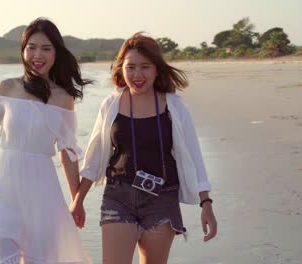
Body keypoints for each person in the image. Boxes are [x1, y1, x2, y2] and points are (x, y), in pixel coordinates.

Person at [0, 18, 92, 264]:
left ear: (56, 53)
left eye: (46, 48)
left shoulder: (63, 99)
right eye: (31, 47)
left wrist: (77, 200)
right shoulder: (7, 88)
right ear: (23, 50)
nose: (37, 55)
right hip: (4, 190)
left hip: (43, 194)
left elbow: (67, 153)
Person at [70, 33, 217, 264]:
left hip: (162, 198)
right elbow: (95, 156)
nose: (137, 75)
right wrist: (78, 200)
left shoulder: (175, 107)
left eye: (145, 67)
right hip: (119, 196)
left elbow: (193, 156)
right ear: (121, 70)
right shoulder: (111, 105)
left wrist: (206, 204)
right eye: (130, 67)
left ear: (157, 69)